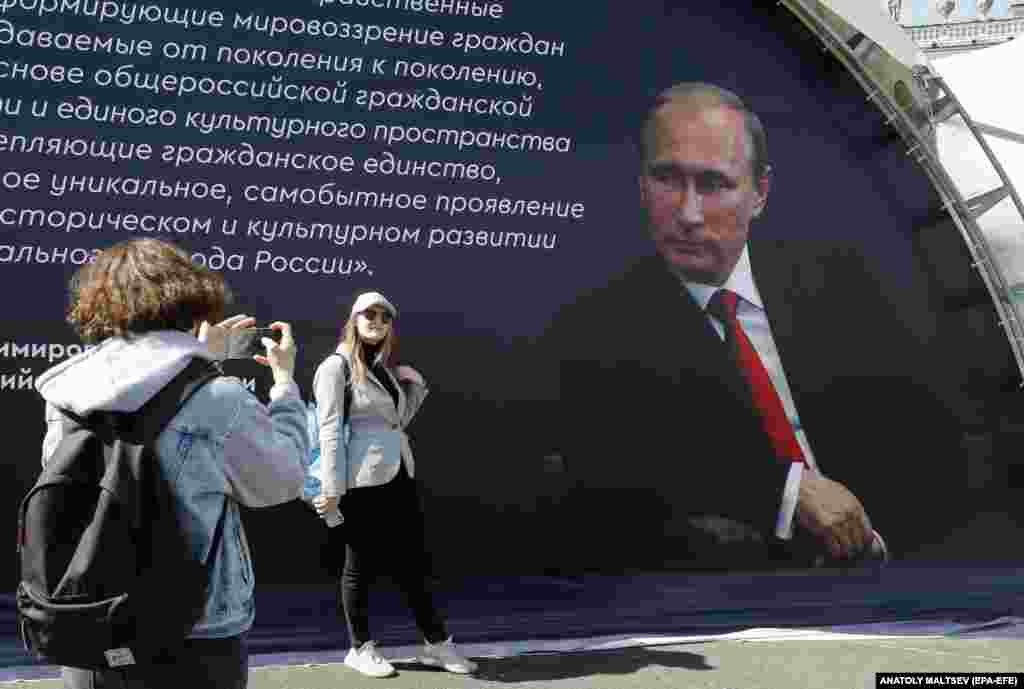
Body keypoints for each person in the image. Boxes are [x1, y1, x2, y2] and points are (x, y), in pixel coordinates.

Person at [541, 83, 968, 571]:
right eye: (667, 179)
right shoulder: (595, 326)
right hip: (727, 598)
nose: (688, 213)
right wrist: (785, 494)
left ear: (760, 193)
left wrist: (875, 546)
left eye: (714, 184)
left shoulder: (841, 291)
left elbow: (929, 450)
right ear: (641, 186)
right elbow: (622, 462)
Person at [35, 238, 309, 689]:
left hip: (84, 615)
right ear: (190, 300)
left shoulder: (68, 388)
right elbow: (282, 481)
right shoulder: (216, 397)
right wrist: (284, 387)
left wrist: (201, 362)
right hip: (194, 628)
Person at [312, 291, 477, 678]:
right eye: (369, 314)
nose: (377, 322)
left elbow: (393, 423)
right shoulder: (334, 368)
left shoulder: (384, 369)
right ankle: (360, 647)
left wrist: (414, 389)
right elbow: (329, 430)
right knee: (359, 567)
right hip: (359, 482)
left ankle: (436, 644)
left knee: (414, 565)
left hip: (399, 475)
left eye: (385, 317)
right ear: (354, 319)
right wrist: (332, 488)